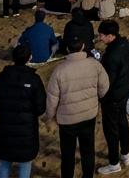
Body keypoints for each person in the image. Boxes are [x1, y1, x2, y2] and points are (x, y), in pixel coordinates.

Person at [44, 36, 109, 178]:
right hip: (88, 114)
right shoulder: (94, 64)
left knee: (68, 154)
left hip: (67, 119)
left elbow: (52, 98)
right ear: (82, 47)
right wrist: (97, 98)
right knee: (88, 150)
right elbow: (105, 86)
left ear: (67, 49)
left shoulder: (59, 70)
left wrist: (50, 116)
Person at [0, 45, 47, 178]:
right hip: (26, 128)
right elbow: (40, 107)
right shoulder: (34, 79)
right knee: (25, 162)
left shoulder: (2, 76)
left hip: (6, 126)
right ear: (29, 58)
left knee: (4, 161)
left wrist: (3, 112)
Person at [95, 21, 129, 174]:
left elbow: (107, 82)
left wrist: (101, 97)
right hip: (124, 91)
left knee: (111, 130)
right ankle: (125, 153)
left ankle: (114, 163)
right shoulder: (124, 44)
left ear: (111, 36)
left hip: (113, 96)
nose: (100, 37)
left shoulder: (112, 56)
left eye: (102, 35)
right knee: (122, 122)